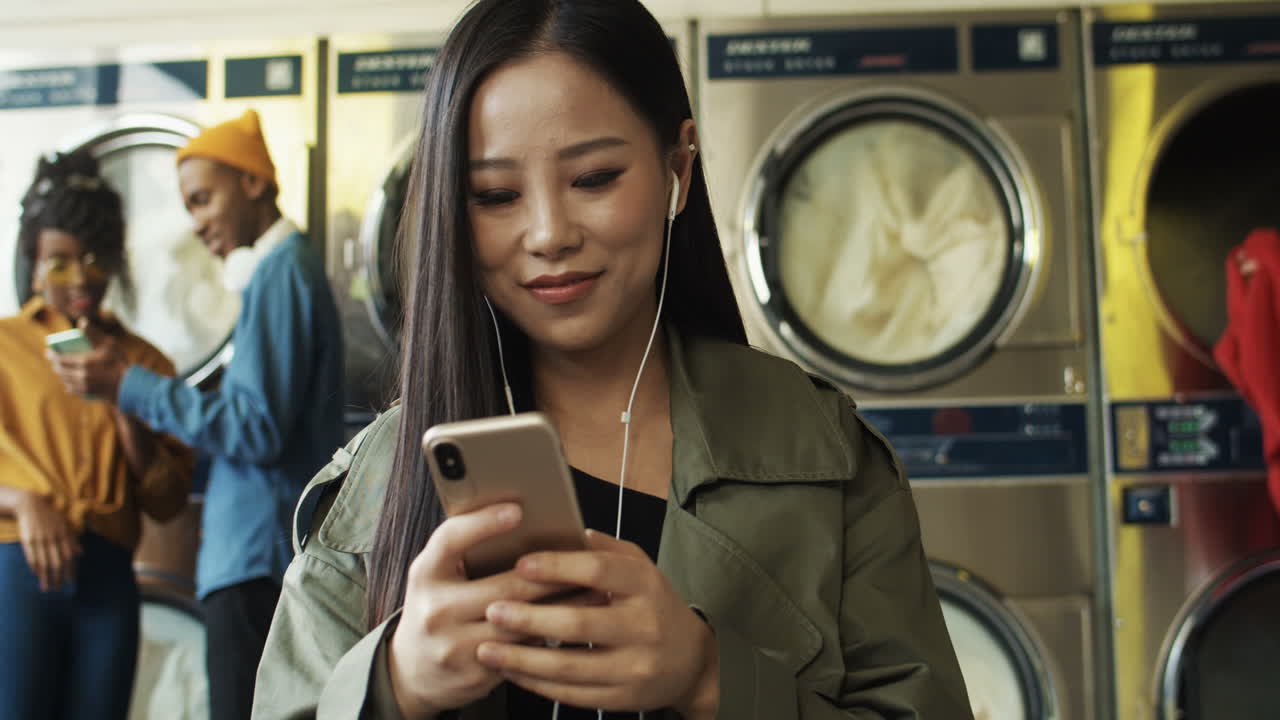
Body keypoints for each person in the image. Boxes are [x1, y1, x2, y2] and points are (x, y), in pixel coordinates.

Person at [253, 1, 973, 718]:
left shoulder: (824, 452)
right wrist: (394, 685)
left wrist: (709, 679)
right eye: (496, 194)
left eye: (593, 178)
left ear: (677, 170)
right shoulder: (378, 481)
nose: (548, 233)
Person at [51, 110, 346, 720]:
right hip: (250, 556)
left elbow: (255, 427)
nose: (196, 222)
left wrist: (126, 383)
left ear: (252, 184)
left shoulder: (282, 272)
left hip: (256, 560)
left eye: (203, 200)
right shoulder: (277, 274)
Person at [0, 151, 193, 719]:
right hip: (16, 570)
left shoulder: (146, 362)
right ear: (34, 265)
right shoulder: (6, 347)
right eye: (59, 261)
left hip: (108, 581)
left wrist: (124, 398)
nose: (80, 277)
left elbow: (166, 500)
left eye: (94, 258)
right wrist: (24, 500)